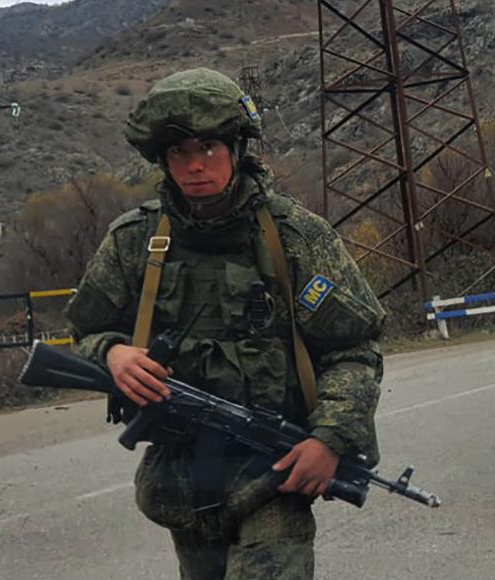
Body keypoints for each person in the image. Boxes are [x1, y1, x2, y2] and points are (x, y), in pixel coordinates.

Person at [65, 68, 386, 580]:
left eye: (209, 148)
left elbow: (354, 349)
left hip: (273, 477)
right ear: (162, 161)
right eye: (179, 153)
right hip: (184, 479)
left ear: (237, 148)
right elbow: (83, 334)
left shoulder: (295, 237)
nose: (195, 166)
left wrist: (330, 439)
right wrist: (112, 354)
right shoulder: (136, 242)